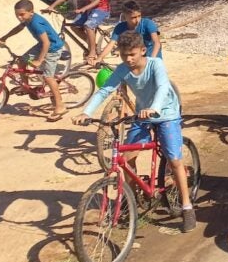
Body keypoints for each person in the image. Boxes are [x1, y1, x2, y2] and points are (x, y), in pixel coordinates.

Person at [74, 33, 194, 232]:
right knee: (127, 158)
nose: (128, 59)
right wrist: (86, 112)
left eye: (132, 54)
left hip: (166, 113)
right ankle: (131, 200)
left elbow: (163, 87)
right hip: (143, 115)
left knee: (174, 160)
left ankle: (187, 206)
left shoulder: (155, 64)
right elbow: (105, 90)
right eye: (123, 55)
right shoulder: (123, 69)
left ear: (142, 51)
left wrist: (154, 107)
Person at [0, 0, 67, 121]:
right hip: (42, 45)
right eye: (17, 14)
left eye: (22, 14)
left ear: (31, 12)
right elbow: (18, 28)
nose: (19, 17)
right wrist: (4, 38)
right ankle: (25, 86)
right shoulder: (27, 19)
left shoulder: (36, 23)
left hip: (53, 48)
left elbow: (47, 42)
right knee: (22, 61)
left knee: (48, 77)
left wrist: (39, 60)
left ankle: (60, 107)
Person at [92, 0, 161, 64]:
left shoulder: (148, 24)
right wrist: (99, 58)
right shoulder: (120, 27)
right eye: (133, 17)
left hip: (152, 57)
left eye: (139, 16)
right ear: (125, 16)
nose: (137, 20)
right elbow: (111, 45)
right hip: (134, 60)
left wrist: (152, 60)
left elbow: (157, 43)